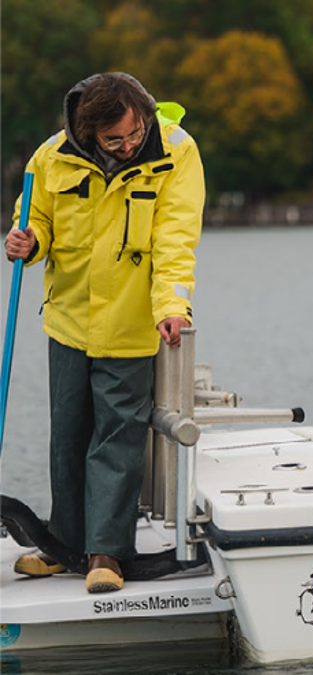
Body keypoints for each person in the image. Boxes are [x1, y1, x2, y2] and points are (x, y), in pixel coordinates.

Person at [5, 73, 204, 593]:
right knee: (67, 434)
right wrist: (28, 240)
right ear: (87, 129)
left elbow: (176, 240)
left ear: (143, 113)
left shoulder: (177, 152)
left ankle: (106, 556)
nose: (128, 145)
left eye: (134, 133)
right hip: (68, 317)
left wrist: (172, 306)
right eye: (114, 140)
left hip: (133, 321)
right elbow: (38, 220)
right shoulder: (50, 156)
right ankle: (64, 546)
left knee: (117, 437)